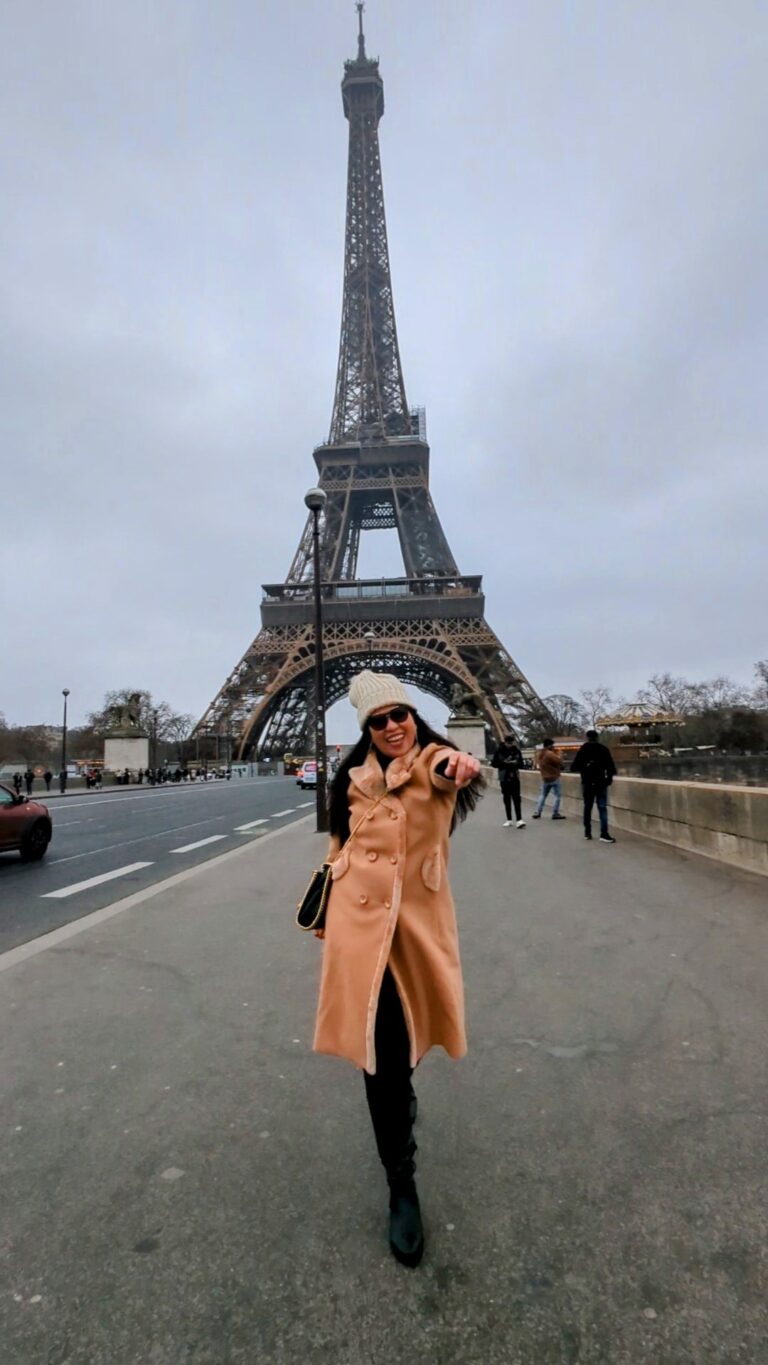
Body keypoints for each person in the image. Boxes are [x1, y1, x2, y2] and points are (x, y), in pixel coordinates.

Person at [313, 670, 483, 1269]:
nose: (391, 727)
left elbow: (450, 767)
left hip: (412, 935)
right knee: (378, 1057)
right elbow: (340, 844)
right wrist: (328, 902)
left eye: (399, 716)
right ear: (366, 728)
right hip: (358, 937)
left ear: (415, 717)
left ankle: (401, 1097)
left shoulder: (436, 762)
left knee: (402, 1047)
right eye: (378, 721)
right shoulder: (351, 779)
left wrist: (460, 766)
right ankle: (401, 1184)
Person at [570, 729, 617, 843]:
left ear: (587, 737)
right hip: (601, 782)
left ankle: (587, 832)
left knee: (587, 807)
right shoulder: (603, 749)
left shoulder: (583, 750)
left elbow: (573, 767)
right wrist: (608, 779)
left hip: (587, 782)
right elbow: (610, 766)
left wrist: (585, 767)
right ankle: (604, 833)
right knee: (602, 808)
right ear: (597, 737)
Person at [490, 734, 526, 827]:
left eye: (511, 743)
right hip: (505, 777)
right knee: (507, 799)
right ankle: (509, 819)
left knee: (516, 798)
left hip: (514, 777)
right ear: (505, 742)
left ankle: (519, 819)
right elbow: (494, 764)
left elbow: (521, 764)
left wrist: (510, 764)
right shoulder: (499, 751)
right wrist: (508, 764)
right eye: (508, 743)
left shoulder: (516, 751)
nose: (509, 745)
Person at [532, 738, 566, 819]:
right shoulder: (549, 754)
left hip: (545, 777)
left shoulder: (539, 754)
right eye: (552, 745)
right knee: (557, 796)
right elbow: (559, 762)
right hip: (554, 777)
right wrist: (560, 755)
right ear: (549, 745)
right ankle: (555, 813)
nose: (553, 747)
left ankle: (538, 811)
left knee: (543, 795)